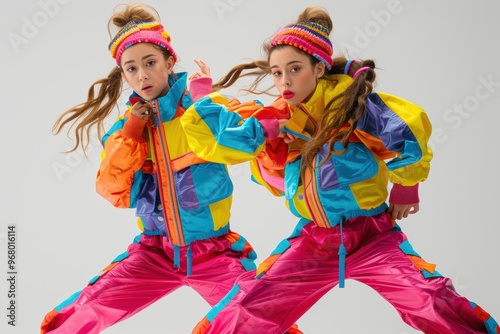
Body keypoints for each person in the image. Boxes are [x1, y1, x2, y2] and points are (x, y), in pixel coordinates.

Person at [179, 6, 500, 334]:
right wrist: (204, 97)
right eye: (276, 72)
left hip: (373, 235)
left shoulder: (353, 105)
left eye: (294, 68)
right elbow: (223, 140)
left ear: (319, 69)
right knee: (246, 308)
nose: (285, 80)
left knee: (429, 299)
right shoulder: (277, 117)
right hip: (314, 241)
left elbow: (408, 132)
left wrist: (406, 187)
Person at [40, 3, 301, 334]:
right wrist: (133, 132)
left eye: (150, 63)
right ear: (124, 75)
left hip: (215, 253)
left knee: (263, 319)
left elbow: (255, 125)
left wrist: (268, 123)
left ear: (170, 61)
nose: (143, 75)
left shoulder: (204, 107)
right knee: (73, 317)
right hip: (153, 254)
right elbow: (113, 191)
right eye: (131, 69)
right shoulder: (125, 129)